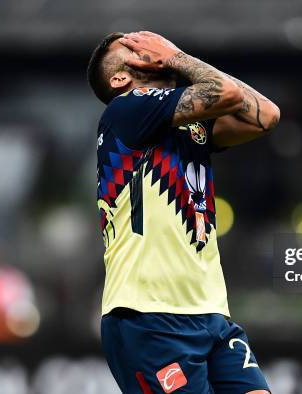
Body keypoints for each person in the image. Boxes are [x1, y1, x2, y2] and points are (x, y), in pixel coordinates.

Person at [87, 30, 280, 393]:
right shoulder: (127, 109)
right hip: (148, 315)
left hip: (211, 312)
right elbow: (228, 93)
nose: (148, 45)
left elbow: (266, 115)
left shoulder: (187, 126)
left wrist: (180, 59)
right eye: (133, 47)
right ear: (119, 77)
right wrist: (177, 58)